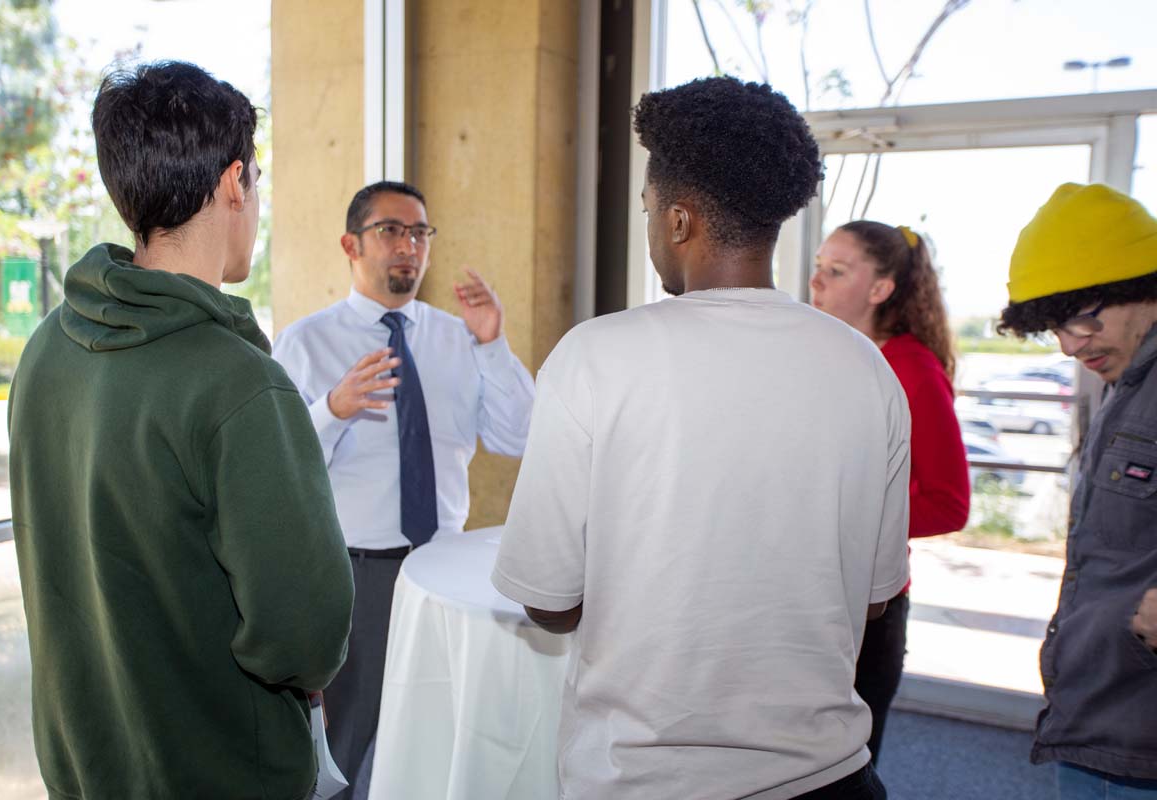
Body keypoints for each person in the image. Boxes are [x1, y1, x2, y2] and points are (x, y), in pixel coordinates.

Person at [492, 76, 909, 800]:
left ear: (680, 221)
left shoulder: (596, 355)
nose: (651, 227)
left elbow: (548, 602)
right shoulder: (865, 368)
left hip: (650, 780)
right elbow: (873, 600)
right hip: (833, 778)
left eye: (651, 209)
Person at [7, 62, 355, 800]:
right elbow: (305, 637)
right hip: (218, 771)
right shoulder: (238, 384)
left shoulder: (46, 349)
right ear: (234, 183)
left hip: (85, 760)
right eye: (257, 181)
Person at [272, 180, 535, 795]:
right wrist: (333, 408)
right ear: (351, 244)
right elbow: (281, 466)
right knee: (347, 742)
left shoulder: (457, 338)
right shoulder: (306, 343)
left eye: (419, 233)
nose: (408, 246)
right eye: (390, 230)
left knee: (434, 737)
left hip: (443, 572)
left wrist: (494, 343)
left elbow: (519, 436)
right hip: (352, 577)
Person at [996, 182, 1157, 798]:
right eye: (1053, 327)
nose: (1069, 344)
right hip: (1097, 718)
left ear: (1142, 287)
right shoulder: (1126, 381)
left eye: (1084, 317)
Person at [810, 220, 970, 761]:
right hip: (805, 592)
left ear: (880, 290)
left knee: (847, 765)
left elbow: (949, 504)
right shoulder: (827, 354)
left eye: (836, 271)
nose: (817, 283)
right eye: (817, 268)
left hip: (868, 605)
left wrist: (836, 515)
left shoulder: (912, 369)